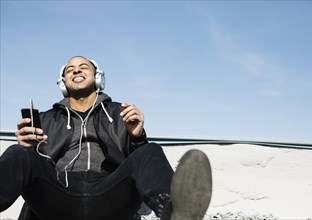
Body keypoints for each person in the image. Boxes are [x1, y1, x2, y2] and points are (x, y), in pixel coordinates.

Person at [0, 56, 212, 220]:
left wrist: (137, 136)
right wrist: (28, 147)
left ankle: (175, 211)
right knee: (18, 153)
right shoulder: (45, 119)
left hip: (109, 191)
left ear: (98, 77)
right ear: (63, 82)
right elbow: (36, 169)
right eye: (69, 69)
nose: (76, 69)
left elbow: (139, 166)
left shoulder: (121, 112)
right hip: (58, 193)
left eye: (83, 66)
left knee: (150, 150)